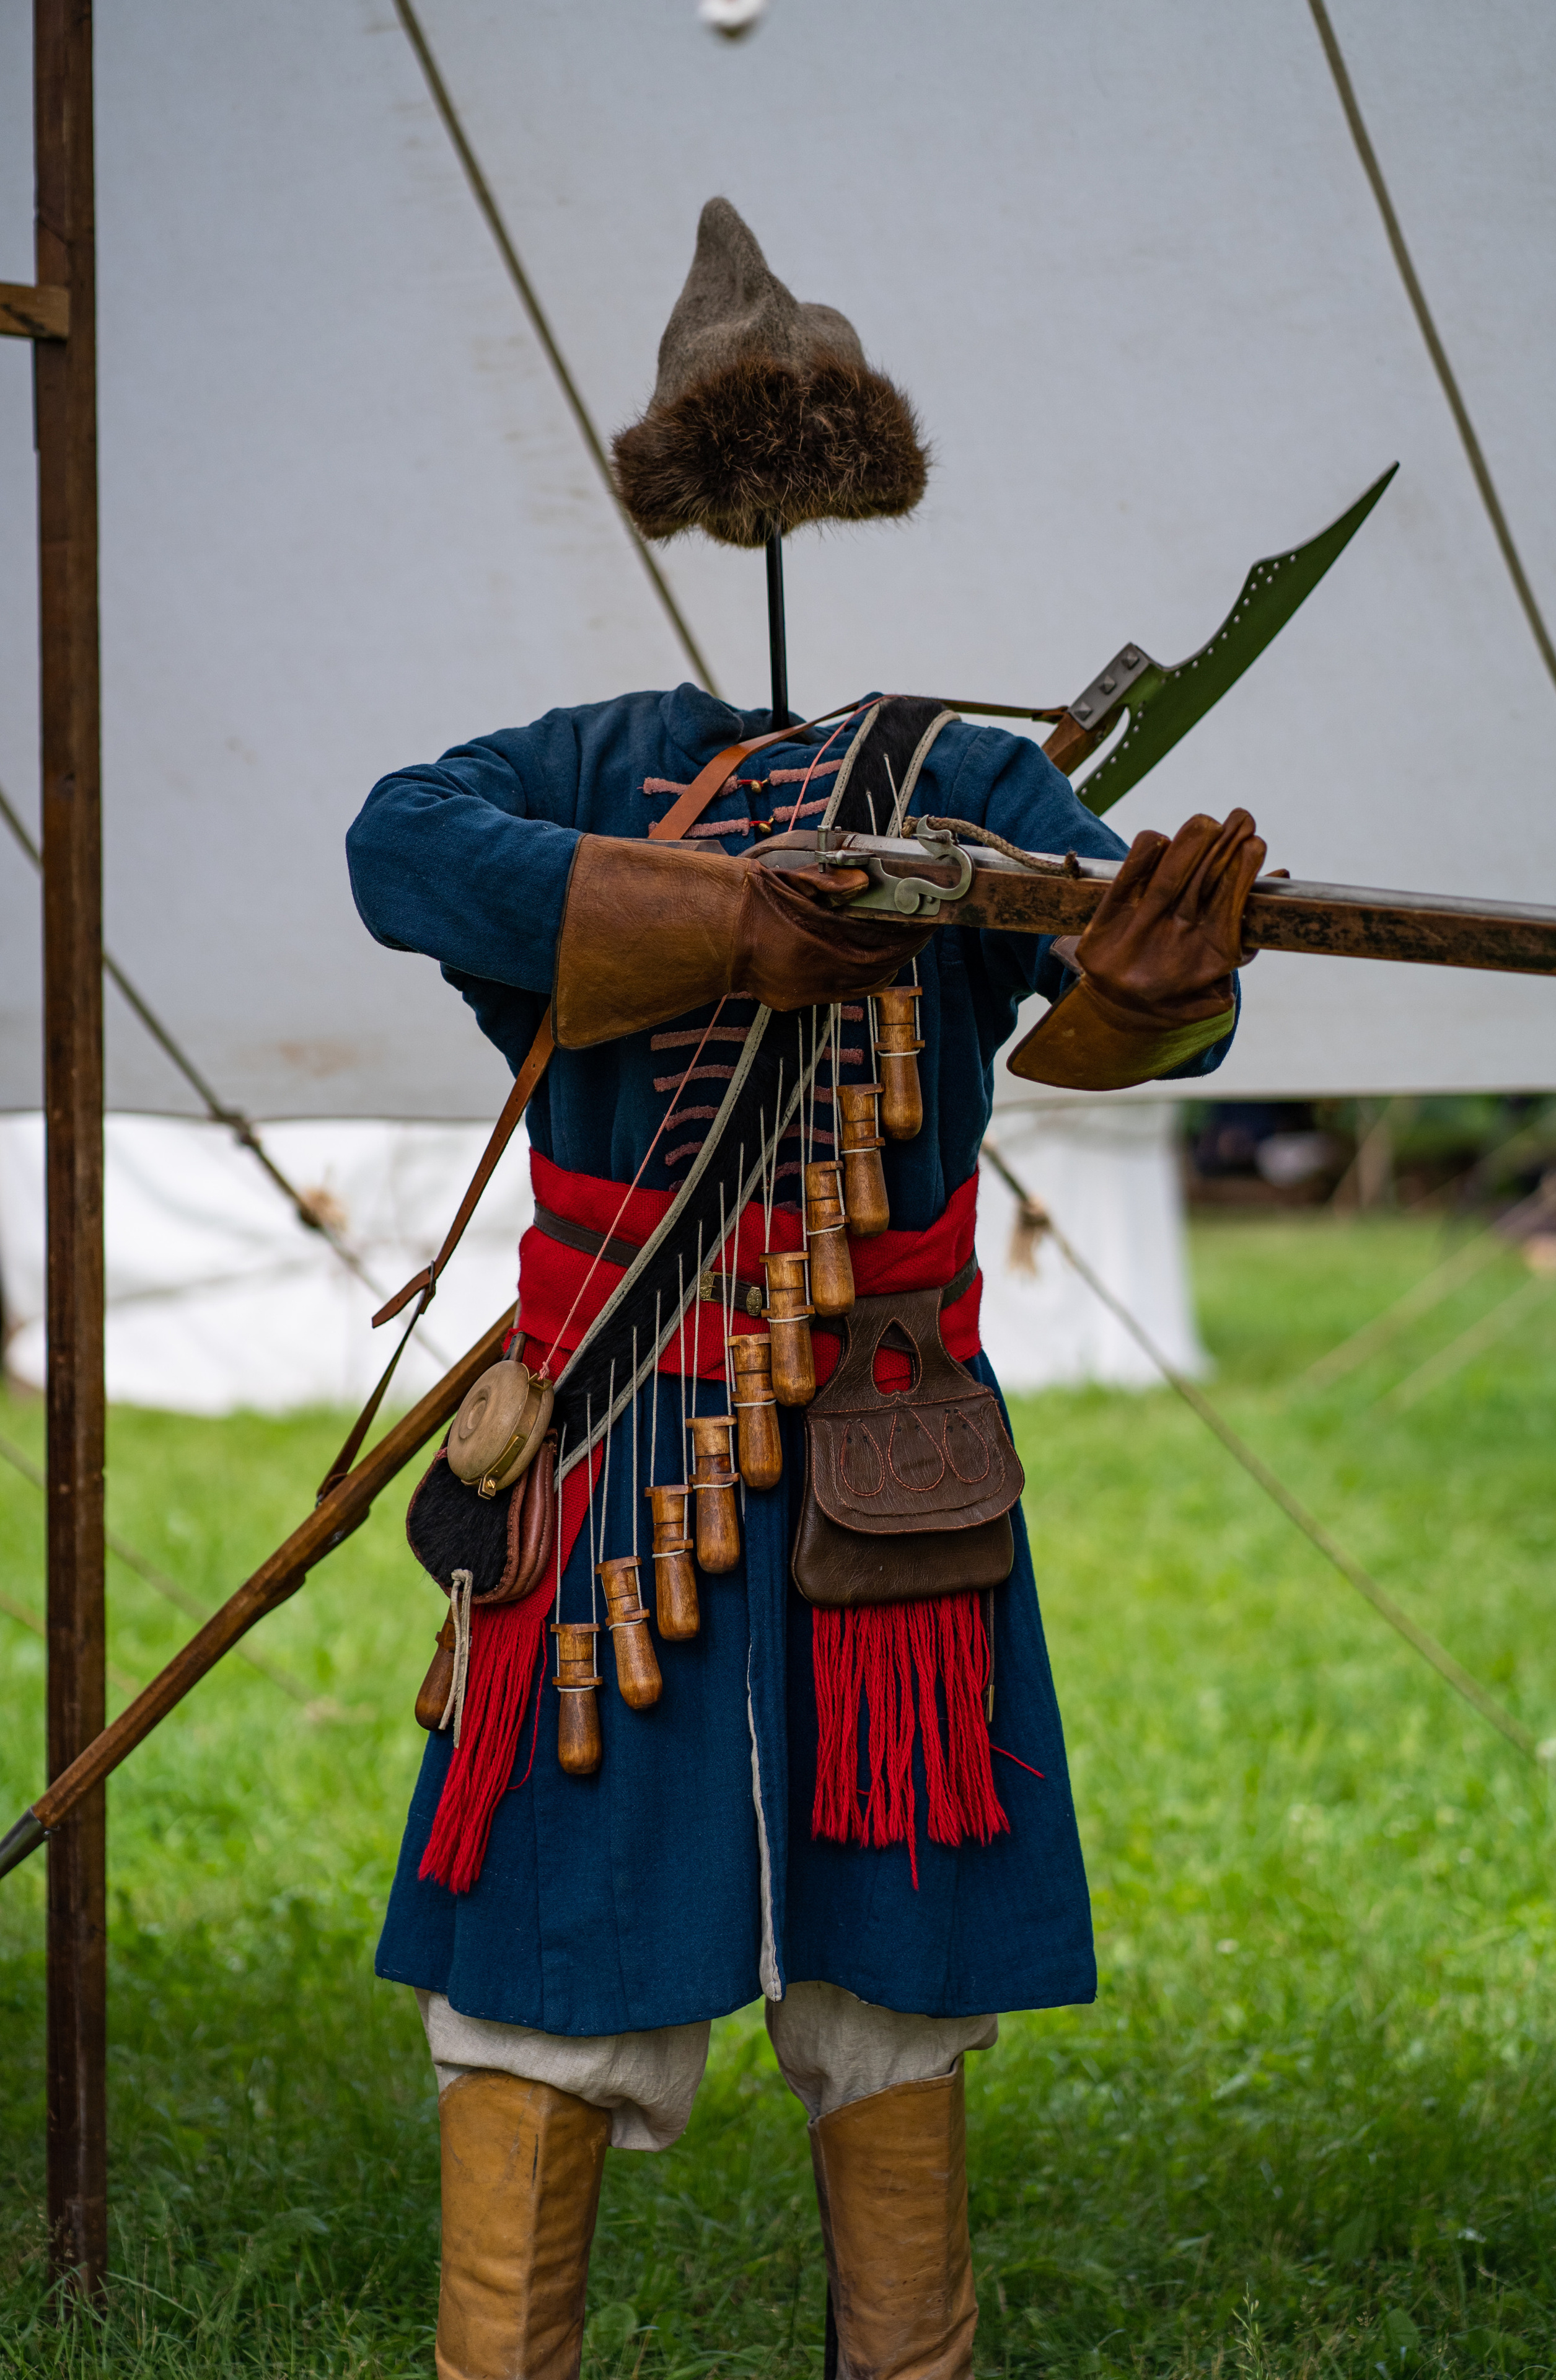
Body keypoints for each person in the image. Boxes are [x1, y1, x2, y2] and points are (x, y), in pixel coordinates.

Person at [346, 198, 1263, 2380]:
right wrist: (729, 925)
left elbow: (1136, 1004)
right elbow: (398, 844)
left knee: (901, 1985)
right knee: (539, 1976)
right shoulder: (582, 768)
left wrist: (1148, 997)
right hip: (613, 1444)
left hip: (890, 1443)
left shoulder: (963, 781)